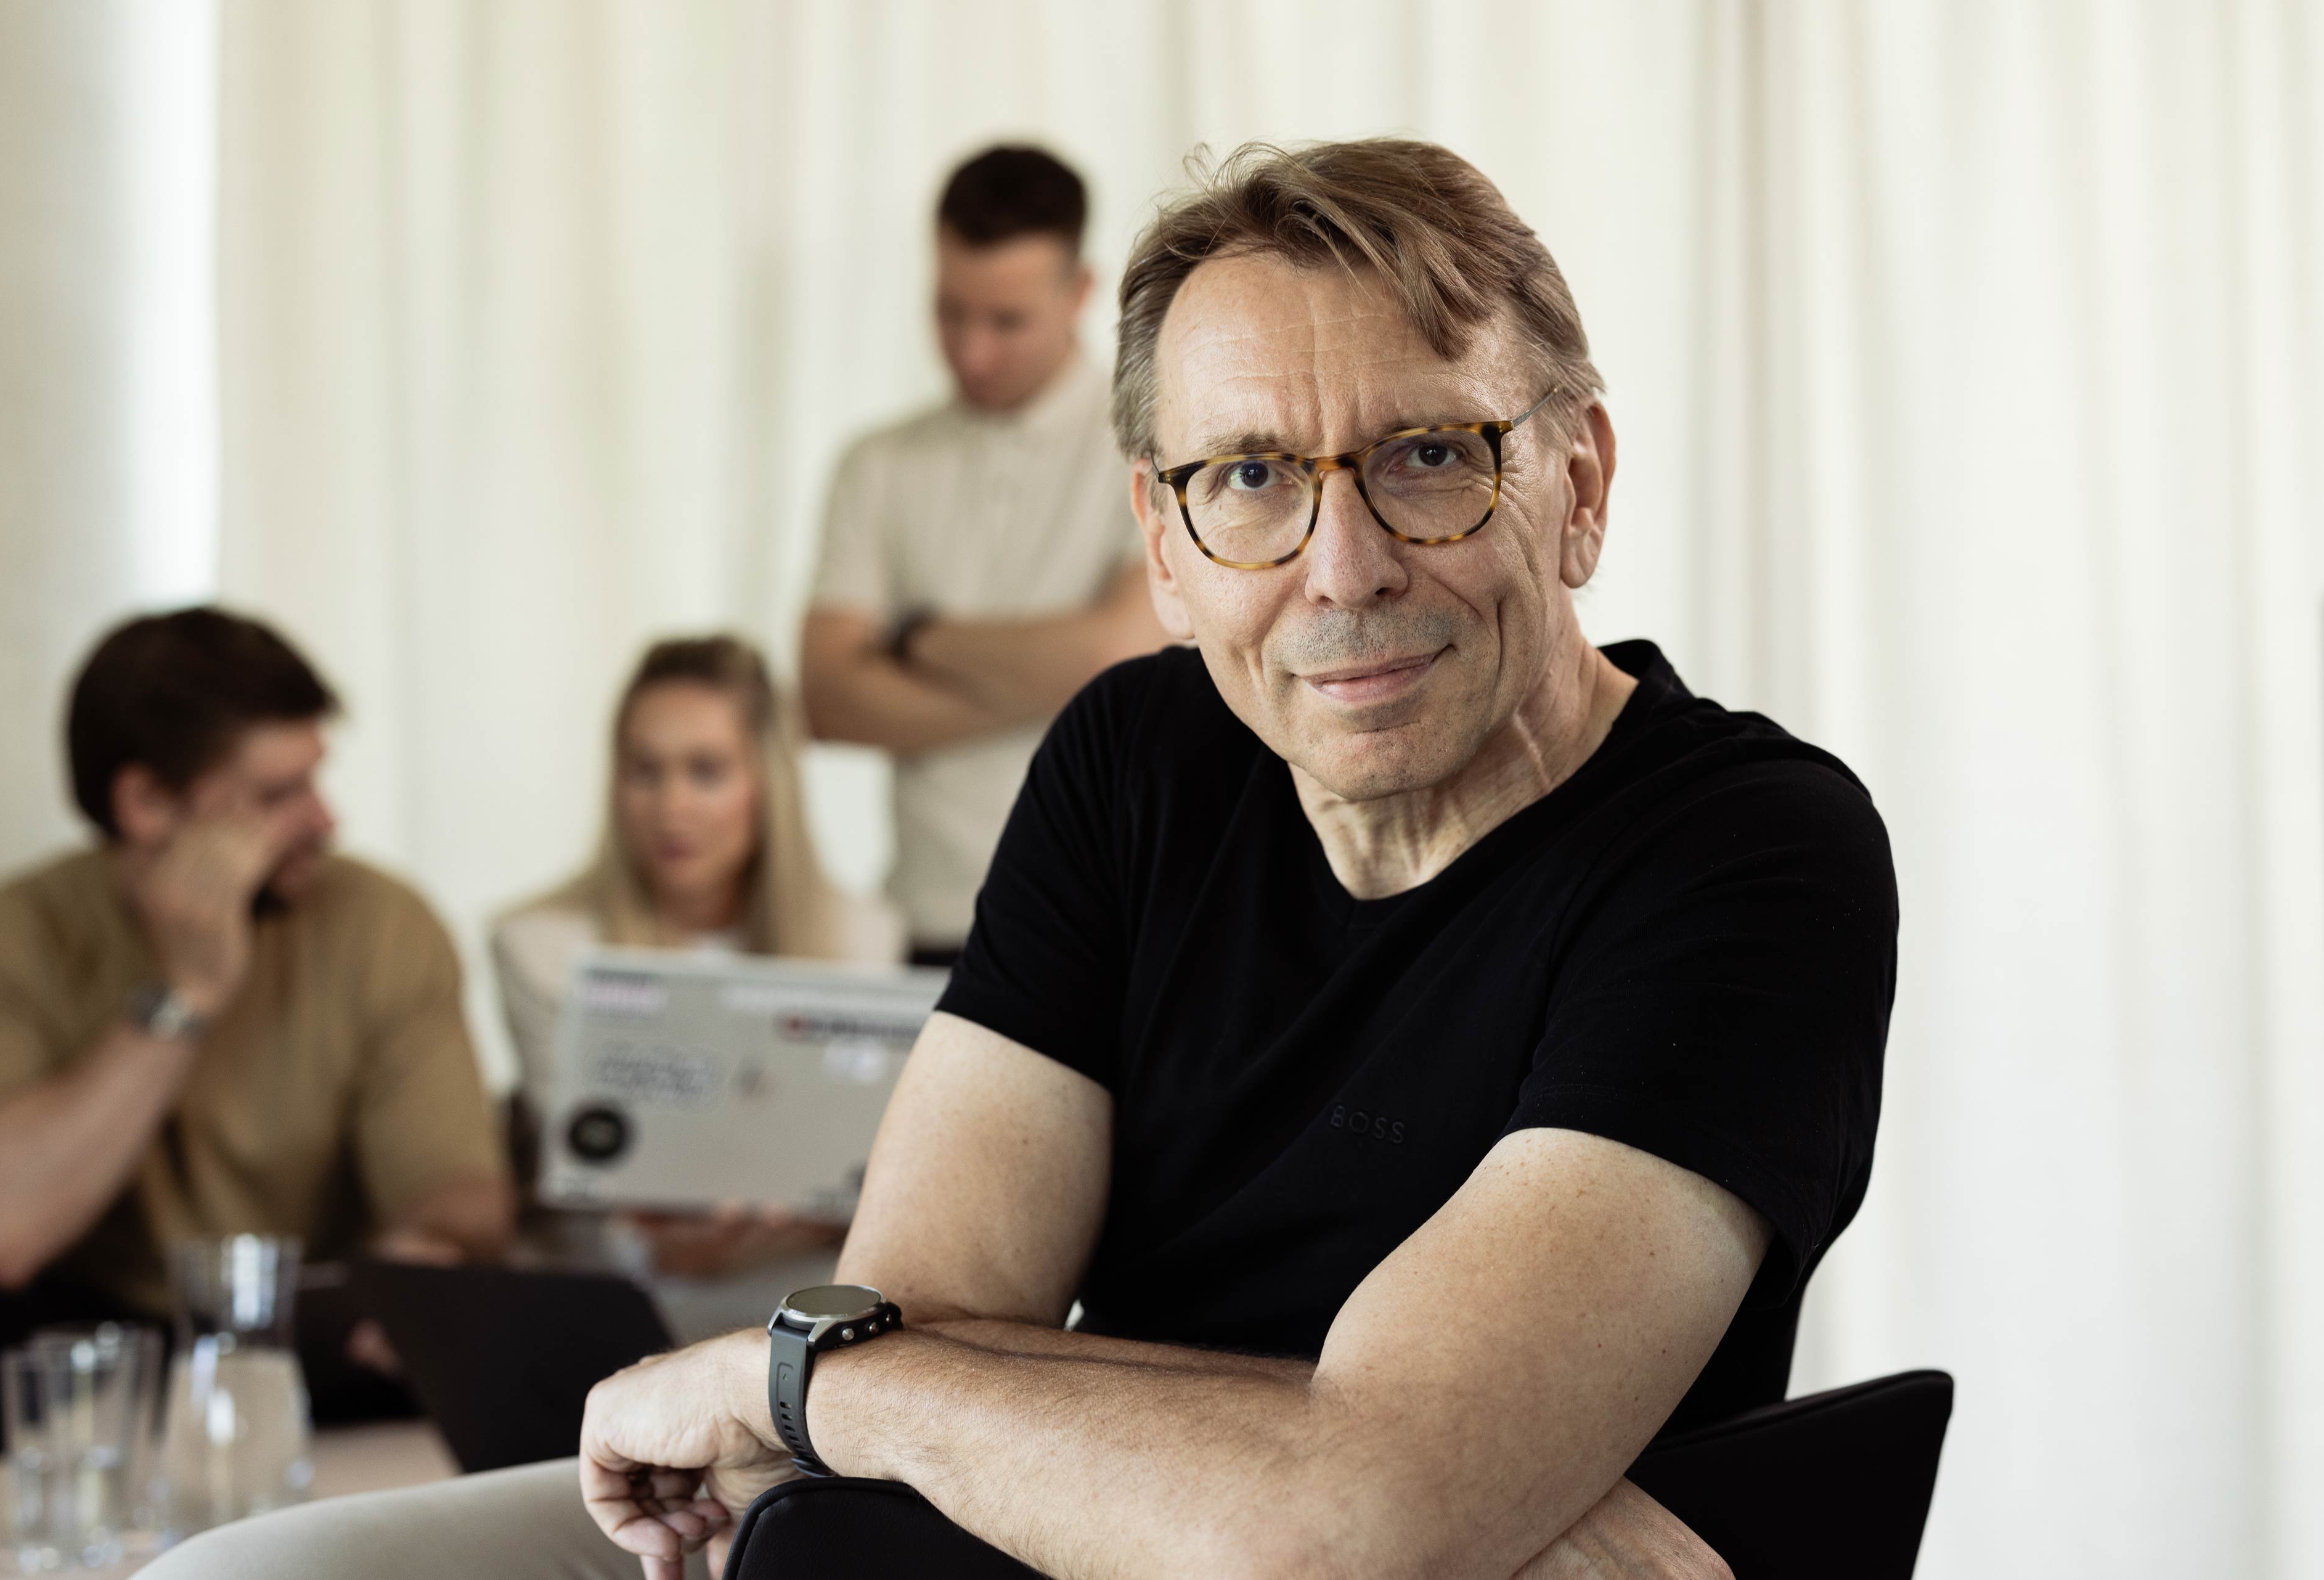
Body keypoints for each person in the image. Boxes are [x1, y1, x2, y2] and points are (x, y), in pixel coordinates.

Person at [145, 139, 1896, 1580]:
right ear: (1163, 539)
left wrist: (814, 1380)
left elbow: (1350, 1529)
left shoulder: (1750, 852)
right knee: (244, 1578)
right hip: (1018, 1540)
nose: (1342, 566)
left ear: (1578, 480)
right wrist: (1328, 1455)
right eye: (1253, 480)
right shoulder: (1133, 762)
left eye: (1432, 455)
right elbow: (919, 1326)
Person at [0, 608, 511, 1479]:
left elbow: (458, 1194)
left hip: (305, 1336)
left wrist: (421, 1251)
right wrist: (186, 993)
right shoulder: (4, 939)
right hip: (112, 1341)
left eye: (315, 778)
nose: (325, 819)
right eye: (277, 795)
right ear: (146, 804)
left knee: (496, 1344)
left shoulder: (381, 922)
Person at [800, 144, 1170, 966]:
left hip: (1118, 919)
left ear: (1079, 293)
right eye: (949, 312)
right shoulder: (878, 463)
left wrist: (917, 640)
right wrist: (1065, 677)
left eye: (1006, 321)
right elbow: (826, 698)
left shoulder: (1156, 438)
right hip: (930, 925)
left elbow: (1116, 653)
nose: (971, 350)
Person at [491, 635, 900, 1284]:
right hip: (627, 1286)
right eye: (644, 770)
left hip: (806, 1282)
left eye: (705, 771)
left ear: (767, 784)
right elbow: (587, 1184)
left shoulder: (865, 939)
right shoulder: (539, 947)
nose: (671, 806)